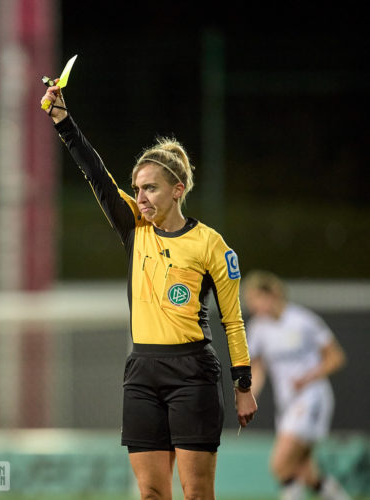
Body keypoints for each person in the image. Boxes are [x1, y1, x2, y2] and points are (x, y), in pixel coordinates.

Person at [40, 81, 257, 499]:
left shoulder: (211, 244)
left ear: (178, 190)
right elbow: (95, 175)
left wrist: (242, 386)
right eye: (137, 188)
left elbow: (233, 319)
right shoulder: (135, 231)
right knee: (152, 494)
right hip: (141, 373)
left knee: (195, 494)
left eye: (150, 188)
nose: (139, 197)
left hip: (193, 374)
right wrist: (63, 122)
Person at [243, 270, 350, 500]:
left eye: (255, 299)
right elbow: (259, 366)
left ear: (271, 295)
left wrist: (308, 377)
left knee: (280, 464)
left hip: (311, 398)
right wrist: (249, 394)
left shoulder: (303, 320)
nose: (253, 306)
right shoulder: (258, 328)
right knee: (305, 472)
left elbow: (336, 357)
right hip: (288, 403)